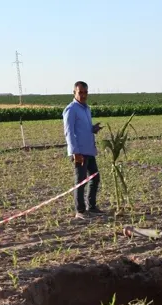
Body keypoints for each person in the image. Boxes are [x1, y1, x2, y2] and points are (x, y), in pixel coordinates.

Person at [63, 81, 102, 220]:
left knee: (95, 178)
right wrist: (75, 152)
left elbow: (82, 129)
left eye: (85, 92)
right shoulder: (71, 109)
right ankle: (80, 211)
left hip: (89, 150)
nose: (83, 95)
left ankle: (92, 207)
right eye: (80, 92)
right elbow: (69, 132)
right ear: (74, 93)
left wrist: (93, 129)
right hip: (79, 152)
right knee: (81, 181)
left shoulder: (86, 109)